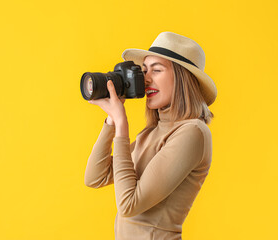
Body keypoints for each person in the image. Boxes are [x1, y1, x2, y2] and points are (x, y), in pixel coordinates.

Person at [84, 32, 217, 240]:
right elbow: (94, 177)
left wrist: (122, 125)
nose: (146, 79)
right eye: (144, 71)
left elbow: (129, 204)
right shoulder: (151, 133)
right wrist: (111, 120)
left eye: (156, 70)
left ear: (183, 78)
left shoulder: (193, 132)